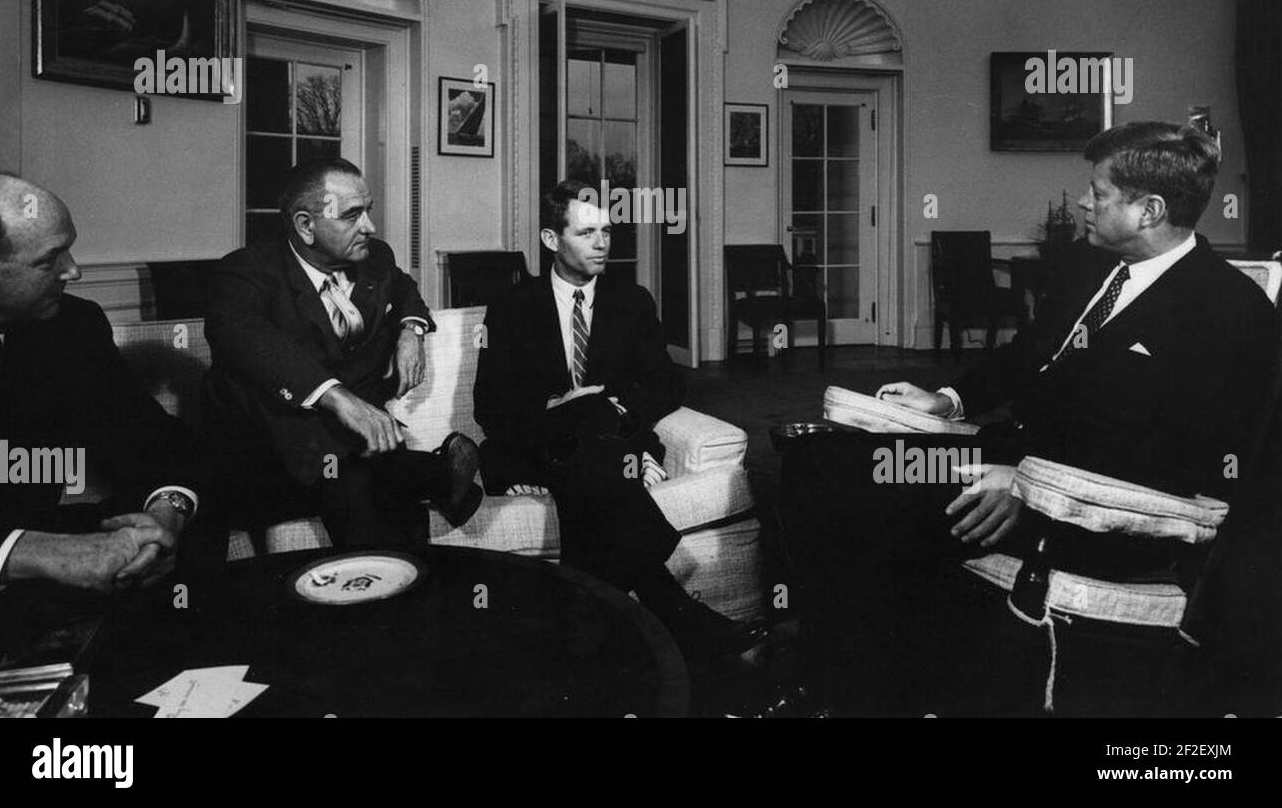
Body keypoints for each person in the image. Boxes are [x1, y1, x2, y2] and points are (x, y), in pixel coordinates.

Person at [779, 123, 1279, 714]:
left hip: (1089, 505)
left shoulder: (1226, 309)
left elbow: (1185, 453)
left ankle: (860, 693)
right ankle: (838, 679)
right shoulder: (1089, 269)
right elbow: (1025, 357)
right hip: (992, 462)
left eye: (1100, 192)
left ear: (1150, 210)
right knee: (827, 464)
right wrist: (947, 401)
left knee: (868, 503)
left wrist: (1032, 482)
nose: (1084, 203)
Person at [474, 179, 766, 660]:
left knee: (595, 449)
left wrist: (612, 408)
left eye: (607, 231)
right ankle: (674, 611)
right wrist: (560, 408)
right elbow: (489, 405)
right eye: (587, 233)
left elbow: (667, 384)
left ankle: (583, 638)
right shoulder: (512, 307)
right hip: (536, 443)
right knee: (592, 434)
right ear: (552, 240)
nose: (603, 243)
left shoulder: (631, 300)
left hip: (602, 445)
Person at [203, 158, 480, 550]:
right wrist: (340, 400)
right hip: (274, 465)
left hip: (353, 453)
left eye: (368, 211)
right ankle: (432, 474)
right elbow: (242, 337)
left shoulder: (375, 257)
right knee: (231, 385)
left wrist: (411, 330)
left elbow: (403, 290)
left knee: (356, 477)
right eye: (352, 215)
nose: (369, 226)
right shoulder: (246, 272)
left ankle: (418, 484)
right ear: (305, 225)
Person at [0, 174, 209, 606]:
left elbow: (155, 443)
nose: (74, 270)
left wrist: (166, 514)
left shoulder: (71, 327)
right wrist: (30, 553)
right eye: (50, 259)